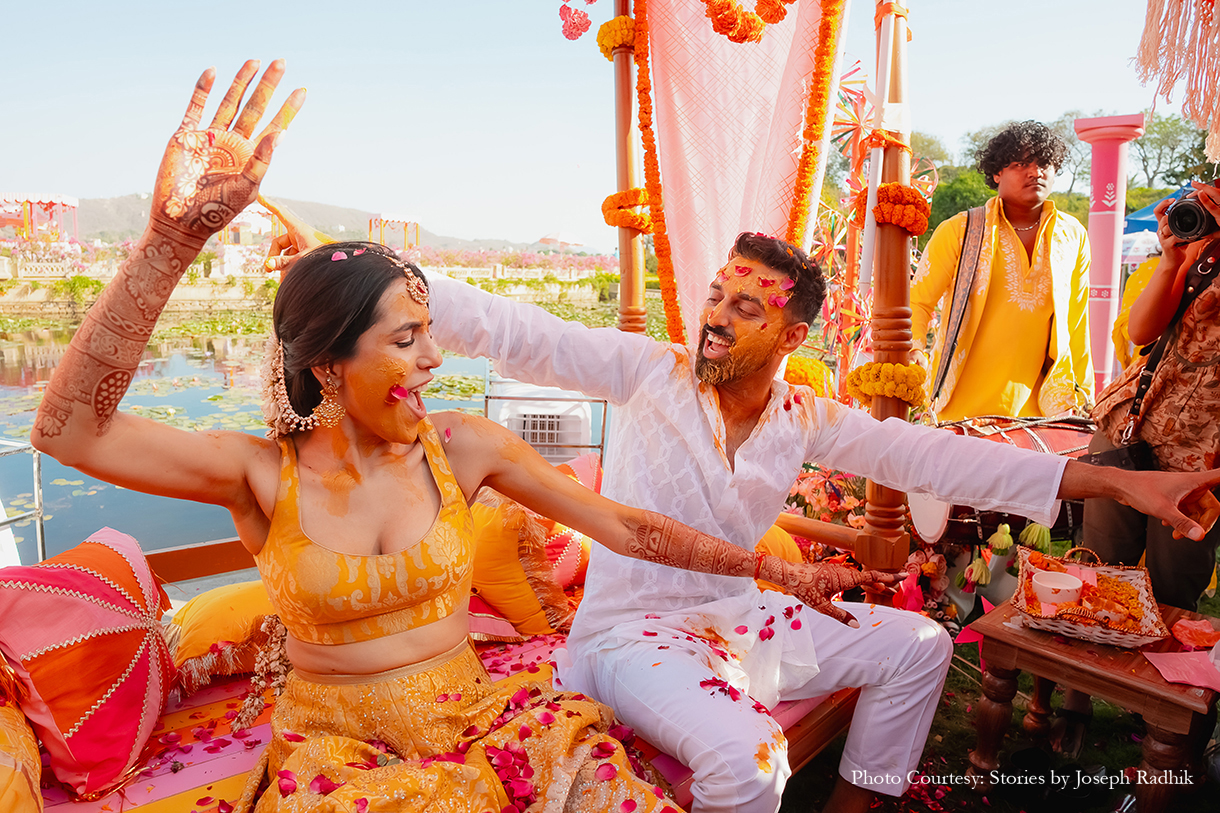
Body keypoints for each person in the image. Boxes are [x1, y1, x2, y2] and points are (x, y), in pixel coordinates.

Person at [28, 63, 907, 813]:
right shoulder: (259, 471)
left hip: (479, 722)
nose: (435, 357)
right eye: (407, 339)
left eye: (430, 332)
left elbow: (626, 527)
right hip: (340, 756)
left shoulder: (462, 446)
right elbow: (68, 432)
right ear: (329, 361)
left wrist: (776, 569)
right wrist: (169, 241)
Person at [268, 217, 1220, 812]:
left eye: (745, 307)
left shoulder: (804, 417)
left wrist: (1121, 485)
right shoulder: (647, 373)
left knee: (921, 643)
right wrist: (365, 275)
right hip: (630, 637)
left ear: (792, 334)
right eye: (715, 295)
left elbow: (941, 458)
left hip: (744, 623)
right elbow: (514, 330)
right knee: (751, 757)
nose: (716, 315)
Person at [910, 120, 1094, 421]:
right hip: (960, 410)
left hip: (1041, 414)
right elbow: (917, 301)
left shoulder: (1073, 235)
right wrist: (914, 352)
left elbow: (1078, 319)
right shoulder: (961, 230)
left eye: (1045, 164)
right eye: (1022, 163)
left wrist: (1085, 395)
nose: (1035, 172)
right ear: (997, 173)